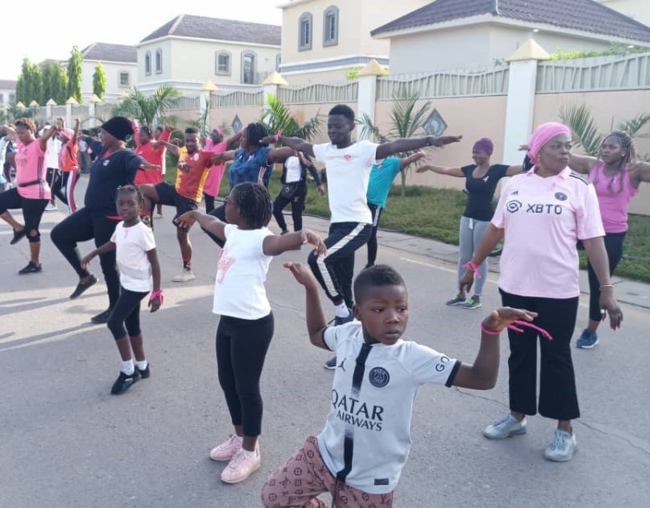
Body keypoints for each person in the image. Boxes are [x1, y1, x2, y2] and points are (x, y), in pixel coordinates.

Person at [262, 263, 535, 508]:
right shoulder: (347, 335)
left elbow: (482, 379)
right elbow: (317, 333)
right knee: (275, 497)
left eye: (401, 309)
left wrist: (489, 332)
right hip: (324, 456)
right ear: (358, 312)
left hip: (371, 481)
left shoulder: (412, 357)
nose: (393, 318)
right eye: (379, 310)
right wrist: (311, 287)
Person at [460, 122, 623, 462]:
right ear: (537, 152)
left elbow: (594, 240)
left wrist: (606, 289)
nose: (566, 152)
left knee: (556, 357)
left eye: (568, 146)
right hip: (515, 287)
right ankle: (517, 416)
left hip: (558, 290)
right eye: (557, 146)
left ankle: (565, 431)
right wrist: (472, 266)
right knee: (519, 353)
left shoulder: (579, 188)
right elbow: (495, 229)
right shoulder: (516, 185)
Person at [264, 104, 461, 370]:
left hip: (358, 223)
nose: (333, 130)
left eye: (338, 126)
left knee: (319, 258)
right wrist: (278, 139)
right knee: (344, 283)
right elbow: (300, 143)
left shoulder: (363, 150)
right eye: (330, 126)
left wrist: (429, 140)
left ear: (351, 126)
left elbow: (395, 145)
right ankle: (350, 347)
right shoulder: (327, 151)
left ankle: (343, 314)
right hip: (338, 225)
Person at [177, 182, 327, 484]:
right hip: (228, 321)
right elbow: (214, 222)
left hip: (253, 325)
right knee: (227, 380)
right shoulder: (233, 232)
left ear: (241, 211)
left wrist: (302, 235)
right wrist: (194, 213)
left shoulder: (261, 239)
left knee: (246, 386)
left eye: (228, 201)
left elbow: (279, 243)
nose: (224, 204)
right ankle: (238, 435)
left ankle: (250, 450)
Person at [566, 131, 650, 349]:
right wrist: (535, 147)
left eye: (611, 147)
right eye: (603, 146)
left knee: (599, 286)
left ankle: (591, 331)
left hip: (611, 235)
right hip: (583, 230)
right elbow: (564, 154)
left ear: (623, 150)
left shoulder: (635, 170)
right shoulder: (592, 165)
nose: (605, 150)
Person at [50, 116, 158, 324]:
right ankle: (85, 276)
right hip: (91, 213)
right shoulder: (104, 150)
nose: (101, 135)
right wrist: (80, 135)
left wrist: (146, 165)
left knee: (108, 265)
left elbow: (137, 161)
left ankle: (114, 308)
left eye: (105, 133)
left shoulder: (125, 154)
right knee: (59, 234)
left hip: (109, 218)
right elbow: (91, 143)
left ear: (117, 137)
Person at [417, 138, 525, 308]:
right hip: (467, 218)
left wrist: (533, 151)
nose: (474, 155)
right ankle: (461, 293)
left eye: (478, 152)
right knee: (464, 257)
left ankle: (476, 296)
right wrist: (430, 167)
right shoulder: (469, 170)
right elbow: (448, 170)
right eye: (473, 152)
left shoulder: (496, 170)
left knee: (479, 258)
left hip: (484, 220)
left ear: (488, 153)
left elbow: (524, 169)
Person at [81, 185, 162, 394]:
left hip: (139, 286)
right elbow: (113, 244)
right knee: (132, 325)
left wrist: (156, 292)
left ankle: (128, 371)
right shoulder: (121, 227)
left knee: (114, 322)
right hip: (127, 282)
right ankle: (142, 367)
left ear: (140, 205)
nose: (125, 208)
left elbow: (155, 263)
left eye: (130, 204)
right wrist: (93, 254)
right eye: (121, 203)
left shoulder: (143, 232)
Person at [139, 127, 217, 282]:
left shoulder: (205, 156)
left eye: (192, 141)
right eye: (187, 140)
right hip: (176, 191)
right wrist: (162, 142)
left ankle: (187, 271)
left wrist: (240, 152)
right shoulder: (183, 151)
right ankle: (147, 227)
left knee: (182, 234)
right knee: (143, 189)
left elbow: (223, 156)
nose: (189, 143)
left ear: (199, 141)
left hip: (190, 200)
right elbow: (175, 149)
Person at [202, 122, 298, 248]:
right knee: (209, 223)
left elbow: (292, 149)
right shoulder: (240, 154)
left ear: (252, 138)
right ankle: (234, 249)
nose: (241, 139)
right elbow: (223, 155)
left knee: (248, 241)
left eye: (244, 136)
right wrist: (212, 157)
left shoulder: (265, 154)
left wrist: (283, 142)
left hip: (255, 207)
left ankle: (239, 251)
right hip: (235, 204)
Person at [0, 118, 55, 274]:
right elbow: (11, 133)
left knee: (32, 229)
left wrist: (54, 128)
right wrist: (5, 127)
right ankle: (18, 227)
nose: (20, 135)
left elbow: (45, 137)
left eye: (23, 132)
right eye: (18, 133)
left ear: (32, 131)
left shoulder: (38, 145)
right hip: (21, 190)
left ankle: (35, 263)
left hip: (36, 193)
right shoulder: (21, 143)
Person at [365, 150, 426, 268]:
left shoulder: (392, 163)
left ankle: (371, 263)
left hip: (375, 204)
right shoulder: (369, 163)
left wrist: (419, 155)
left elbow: (407, 160)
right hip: (362, 202)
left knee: (371, 233)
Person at [271, 150, 324, 234]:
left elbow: (312, 169)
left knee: (296, 214)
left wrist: (319, 184)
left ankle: (297, 237)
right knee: (275, 208)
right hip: (287, 187)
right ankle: (284, 229)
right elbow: (275, 158)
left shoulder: (304, 156)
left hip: (299, 188)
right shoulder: (286, 156)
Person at [56, 118, 82, 211]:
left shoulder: (71, 144)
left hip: (72, 171)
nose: (60, 136)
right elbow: (64, 131)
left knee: (68, 192)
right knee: (55, 189)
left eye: (62, 135)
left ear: (67, 136)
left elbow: (74, 134)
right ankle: (71, 206)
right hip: (64, 172)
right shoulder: (63, 144)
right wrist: (63, 122)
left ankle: (73, 211)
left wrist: (78, 123)